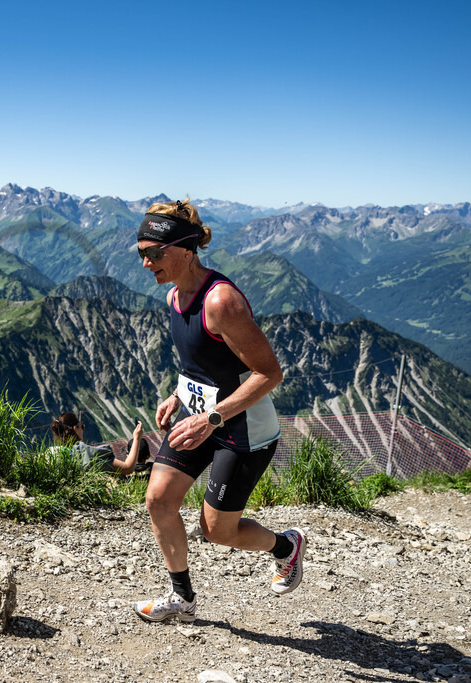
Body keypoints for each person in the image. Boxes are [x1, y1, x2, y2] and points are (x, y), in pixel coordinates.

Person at [131, 199, 305, 624]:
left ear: (186, 249)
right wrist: (178, 392)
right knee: (158, 499)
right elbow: (201, 362)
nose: (145, 263)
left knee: (217, 531)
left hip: (241, 430)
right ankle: (182, 598)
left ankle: (285, 546)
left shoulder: (220, 301)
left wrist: (211, 418)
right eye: (140, 254)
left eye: (154, 253)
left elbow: (269, 373)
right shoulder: (175, 295)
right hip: (198, 418)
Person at [50, 412, 145, 475]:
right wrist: (137, 438)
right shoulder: (87, 453)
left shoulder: (52, 453)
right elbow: (128, 468)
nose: (83, 430)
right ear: (76, 428)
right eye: (82, 427)